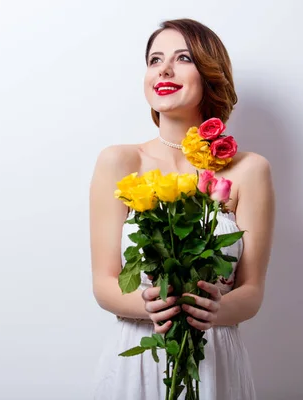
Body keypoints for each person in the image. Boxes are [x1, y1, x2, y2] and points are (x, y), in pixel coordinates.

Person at [89, 18, 275, 400]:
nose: (164, 69)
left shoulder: (249, 170)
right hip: (139, 357)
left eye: (182, 58)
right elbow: (104, 284)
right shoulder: (118, 162)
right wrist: (148, 305)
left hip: (215, 358)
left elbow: (252, 291)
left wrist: (213, 310)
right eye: (154, 59)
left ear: (209, 73)